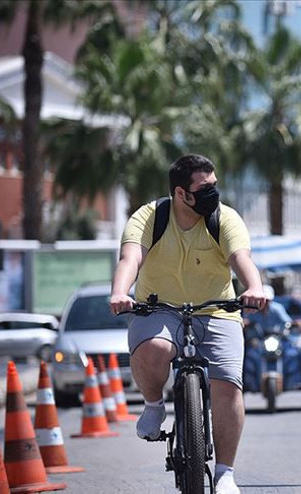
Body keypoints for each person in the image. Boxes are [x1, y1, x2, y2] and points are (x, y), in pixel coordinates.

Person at [109, 154, 266, 494]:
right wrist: (121, 292)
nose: (214, 193)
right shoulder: (150, 217)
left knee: (227, 385)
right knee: (154, 348)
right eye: (205, 188)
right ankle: (153, 405)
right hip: (158, 309)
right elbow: (130, 258)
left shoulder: (224, 219)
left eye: (215, 185)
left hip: (217, 310)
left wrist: (254, 288)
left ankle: (225, 472)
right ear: (182, 194)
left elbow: (242, 259)